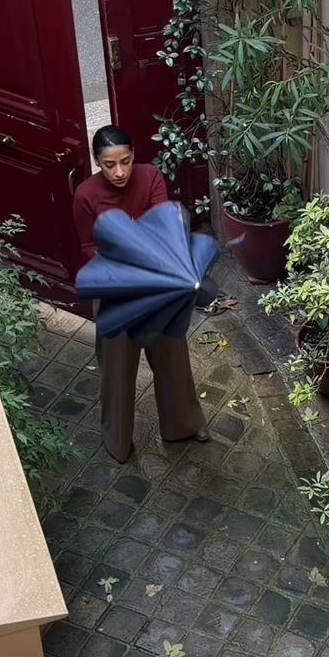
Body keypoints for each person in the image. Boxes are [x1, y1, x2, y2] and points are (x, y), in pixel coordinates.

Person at [73, 126, 208, 462]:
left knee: (173, 359)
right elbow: (89, 248)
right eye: (109, 165)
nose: (119, 172)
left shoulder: (150, 177)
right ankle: (117, 440)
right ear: (98, 163)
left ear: (134, 155)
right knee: (117, 372)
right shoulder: (86, 194)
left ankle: (183, 425)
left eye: (126, 161)